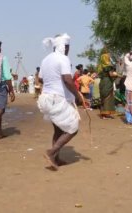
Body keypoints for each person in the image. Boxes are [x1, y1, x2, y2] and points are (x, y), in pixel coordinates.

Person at [37, 33, 82, 170]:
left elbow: (40, 79)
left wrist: (53, 82)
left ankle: (55, 159)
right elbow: (67, 80)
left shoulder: (45, 60)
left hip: (46, 99)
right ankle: (51, 153)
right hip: (57, 100)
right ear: (64, 46)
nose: (68, 50)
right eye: (68, 47)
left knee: (58, 130)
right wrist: (78, 95)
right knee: (73, 128)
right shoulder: (63, 59)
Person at [98, 47, 118, 119]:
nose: (109, 57)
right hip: (107, 82)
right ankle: (105, 114)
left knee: (103, 97)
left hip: (102, 82)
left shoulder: (100, 67)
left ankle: (104, 114)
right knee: (108, 98)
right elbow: (111, 74)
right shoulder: (108, 66)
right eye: (108, 56)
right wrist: (118, 75)